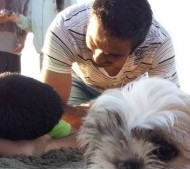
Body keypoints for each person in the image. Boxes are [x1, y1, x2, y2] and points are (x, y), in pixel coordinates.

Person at [41, 0, 179, 123]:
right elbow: (52, 108)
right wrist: (88, 113)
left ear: (138, 47)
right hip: (81, 85)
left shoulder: (158, 44)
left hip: (129, 92)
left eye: (113, 55)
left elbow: (170, 109)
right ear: (90, 19)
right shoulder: (65, 28)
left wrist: (120, 111)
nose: (97, 58)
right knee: (67, 129)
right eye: (93, 43)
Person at [10, 0, 79, 70]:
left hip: (61, 56)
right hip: (43, 56)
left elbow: (75, 20)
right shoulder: (33, 2)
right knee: (45, 81)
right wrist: (17, 18)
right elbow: (31, 25)